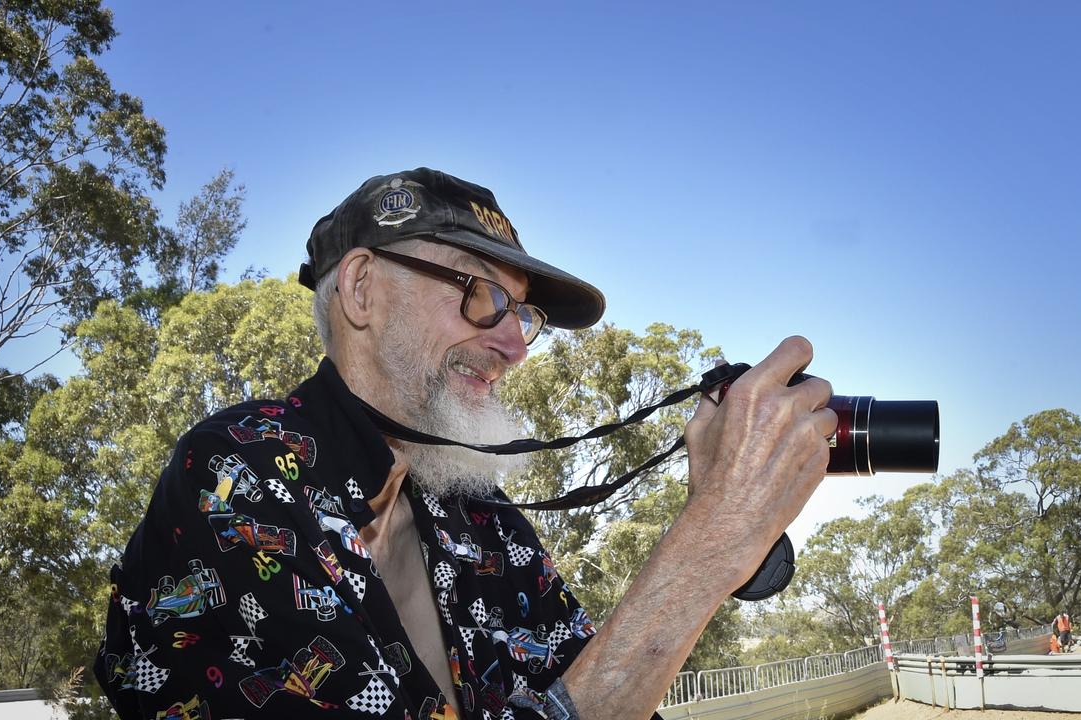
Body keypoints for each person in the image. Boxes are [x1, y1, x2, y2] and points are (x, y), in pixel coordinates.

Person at [94, 168, 837, 720]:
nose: (514, 343)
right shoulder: (237, 472)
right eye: (481, 294)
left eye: (524, 315)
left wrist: (734, 523)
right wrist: (709, 543)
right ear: (361, 290)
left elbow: (603, 684)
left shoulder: (482, 520)